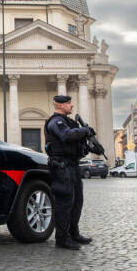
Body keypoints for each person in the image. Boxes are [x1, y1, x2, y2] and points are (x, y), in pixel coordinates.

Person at [44, 95, 93, 250]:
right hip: (61, 167)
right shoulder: (55, 122)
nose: (72, 105)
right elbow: (66, 135)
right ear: (59, 105)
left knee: (77, 201)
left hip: (72, 166)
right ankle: (62, 238)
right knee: (64, 203)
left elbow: (75, 139)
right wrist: (83, 130)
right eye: (68, 103)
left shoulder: (68, 122)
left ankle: (73, 234)